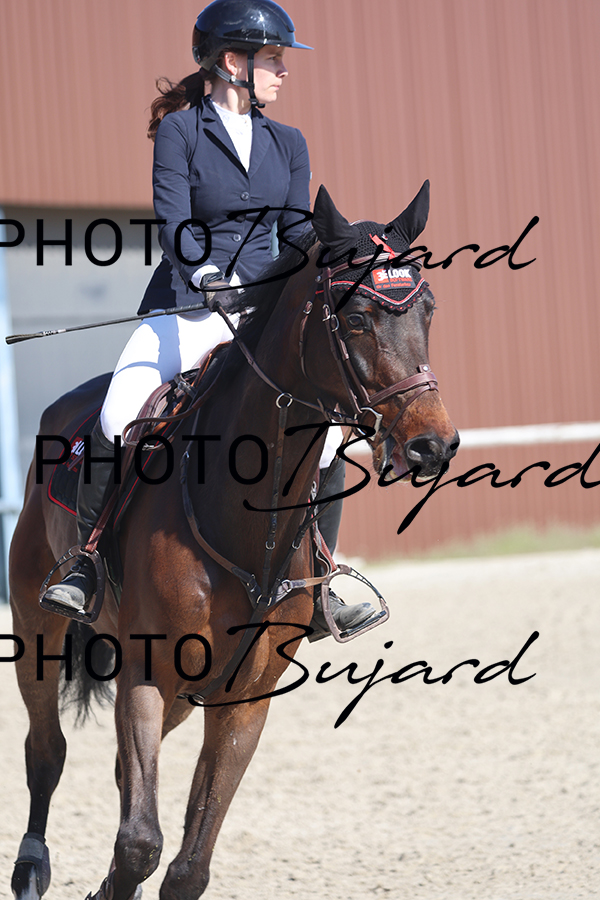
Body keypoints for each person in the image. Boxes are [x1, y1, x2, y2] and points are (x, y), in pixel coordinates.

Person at [44, 0, 376, 636]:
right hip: (189, 305)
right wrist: (207, 277)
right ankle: (86, 562)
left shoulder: (289, 142)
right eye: (273, 59)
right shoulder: (182, 133)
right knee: (117, 413)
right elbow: (174, 221)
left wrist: (328, 259)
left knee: (329, 434)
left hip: (259, 316)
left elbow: (295, 233)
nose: (284, 71)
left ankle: (323, 578)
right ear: (233, 62)